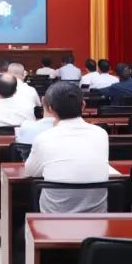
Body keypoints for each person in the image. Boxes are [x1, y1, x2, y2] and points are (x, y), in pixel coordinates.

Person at [23, 82, 110, 213]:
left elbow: (30, 172)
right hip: (96, 217)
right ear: (83, 105)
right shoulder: (101, 133)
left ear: (50, 109)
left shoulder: (44, 137)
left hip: (53, 217)